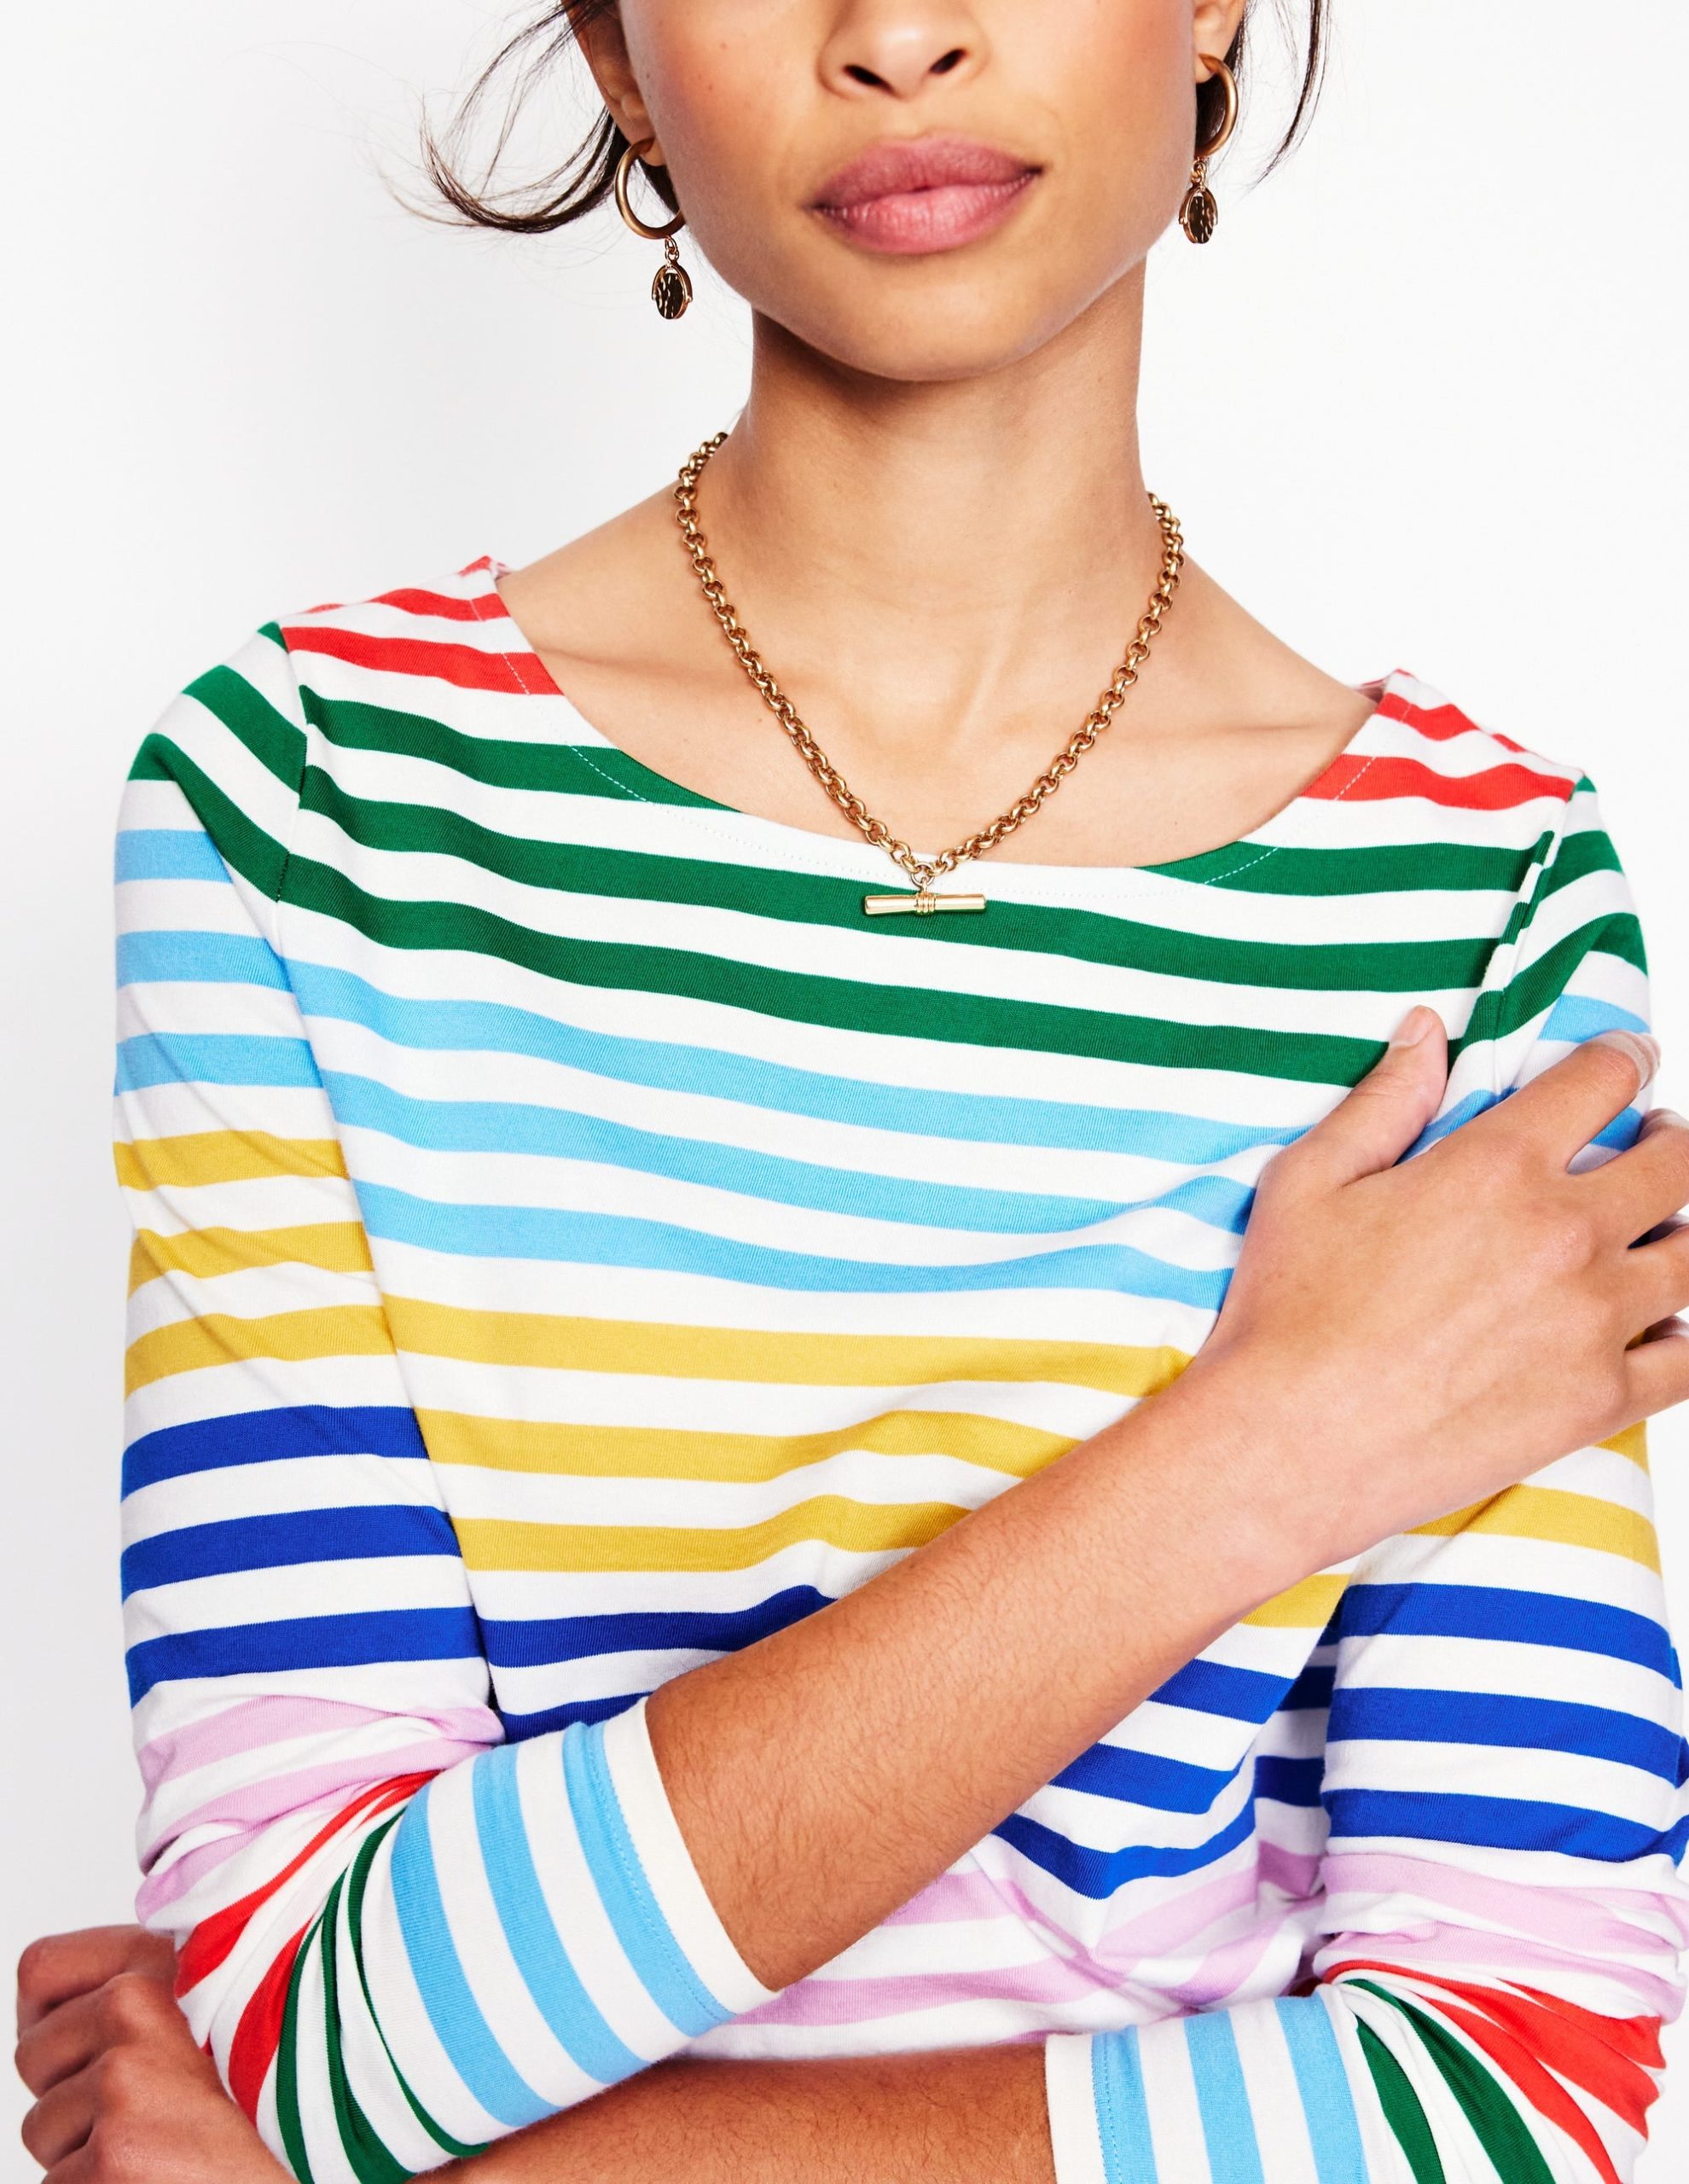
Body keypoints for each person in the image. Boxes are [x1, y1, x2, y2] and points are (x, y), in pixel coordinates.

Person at [15, 3, 1689, 2180]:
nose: (899, 35)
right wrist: (1275, 1444)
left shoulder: (1479, 894)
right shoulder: (311, 798)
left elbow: (1522, 2084)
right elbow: (322, 2022)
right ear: (624, 61)